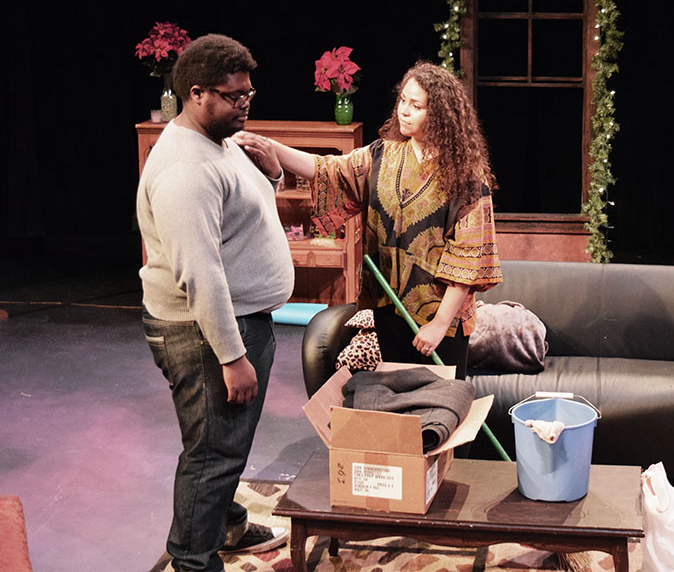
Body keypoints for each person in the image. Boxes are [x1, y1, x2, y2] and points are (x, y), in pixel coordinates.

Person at [137, 34, 295, 571]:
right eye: (234, 96)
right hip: (207, 332)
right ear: (196, 93)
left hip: (237, 320)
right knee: (212, 453)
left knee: (219, 443)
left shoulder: (219, 141)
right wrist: (232, 356)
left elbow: (242, 217)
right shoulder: (185, 169)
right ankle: (192, 559)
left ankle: (224, 525)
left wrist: (272, 173)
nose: (245, 103)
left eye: (250, 92)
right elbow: (198, 273)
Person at [235, 61, 501, 378]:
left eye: (416, 106)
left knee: (439, 411)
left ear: (440, 116)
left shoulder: (466, 177)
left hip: (440, 320)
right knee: (398, 408)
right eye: (403, 100)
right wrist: (270, 147)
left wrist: (439, 324)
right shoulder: (381, 156)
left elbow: (468, 259)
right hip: (389, 309)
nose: (404, 110)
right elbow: (326, 170)